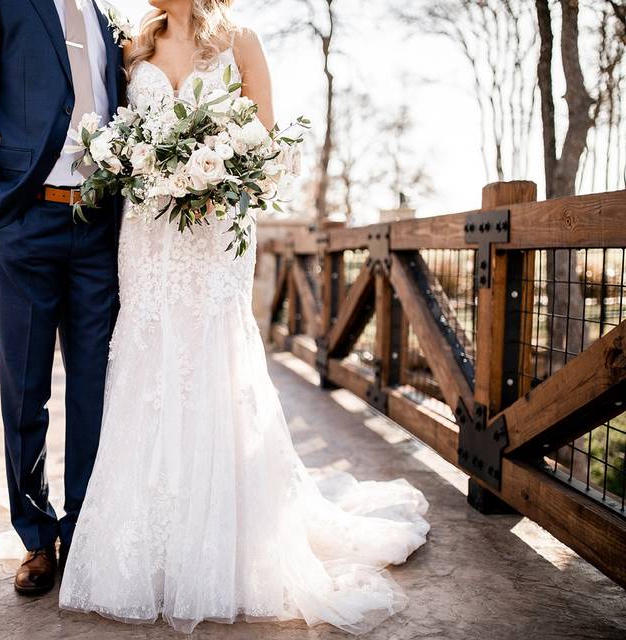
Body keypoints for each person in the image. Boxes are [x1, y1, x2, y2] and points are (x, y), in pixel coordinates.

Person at [58, 1, 430, 634]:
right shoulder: (133, 49)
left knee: (210, 359)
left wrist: (209, 179)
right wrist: (145, 167)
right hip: (148, 234)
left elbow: (265, 140)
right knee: (147, 358)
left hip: (212, 232)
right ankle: (144, 545)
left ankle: (224, 545)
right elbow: (119, 138)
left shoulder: (242, 42)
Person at [0, 0, 125, 596]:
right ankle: (35, 536)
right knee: (24, 390)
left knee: (96, 386)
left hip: (100, 226)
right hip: (27, 217)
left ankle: (83, 529)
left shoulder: (104, 15)